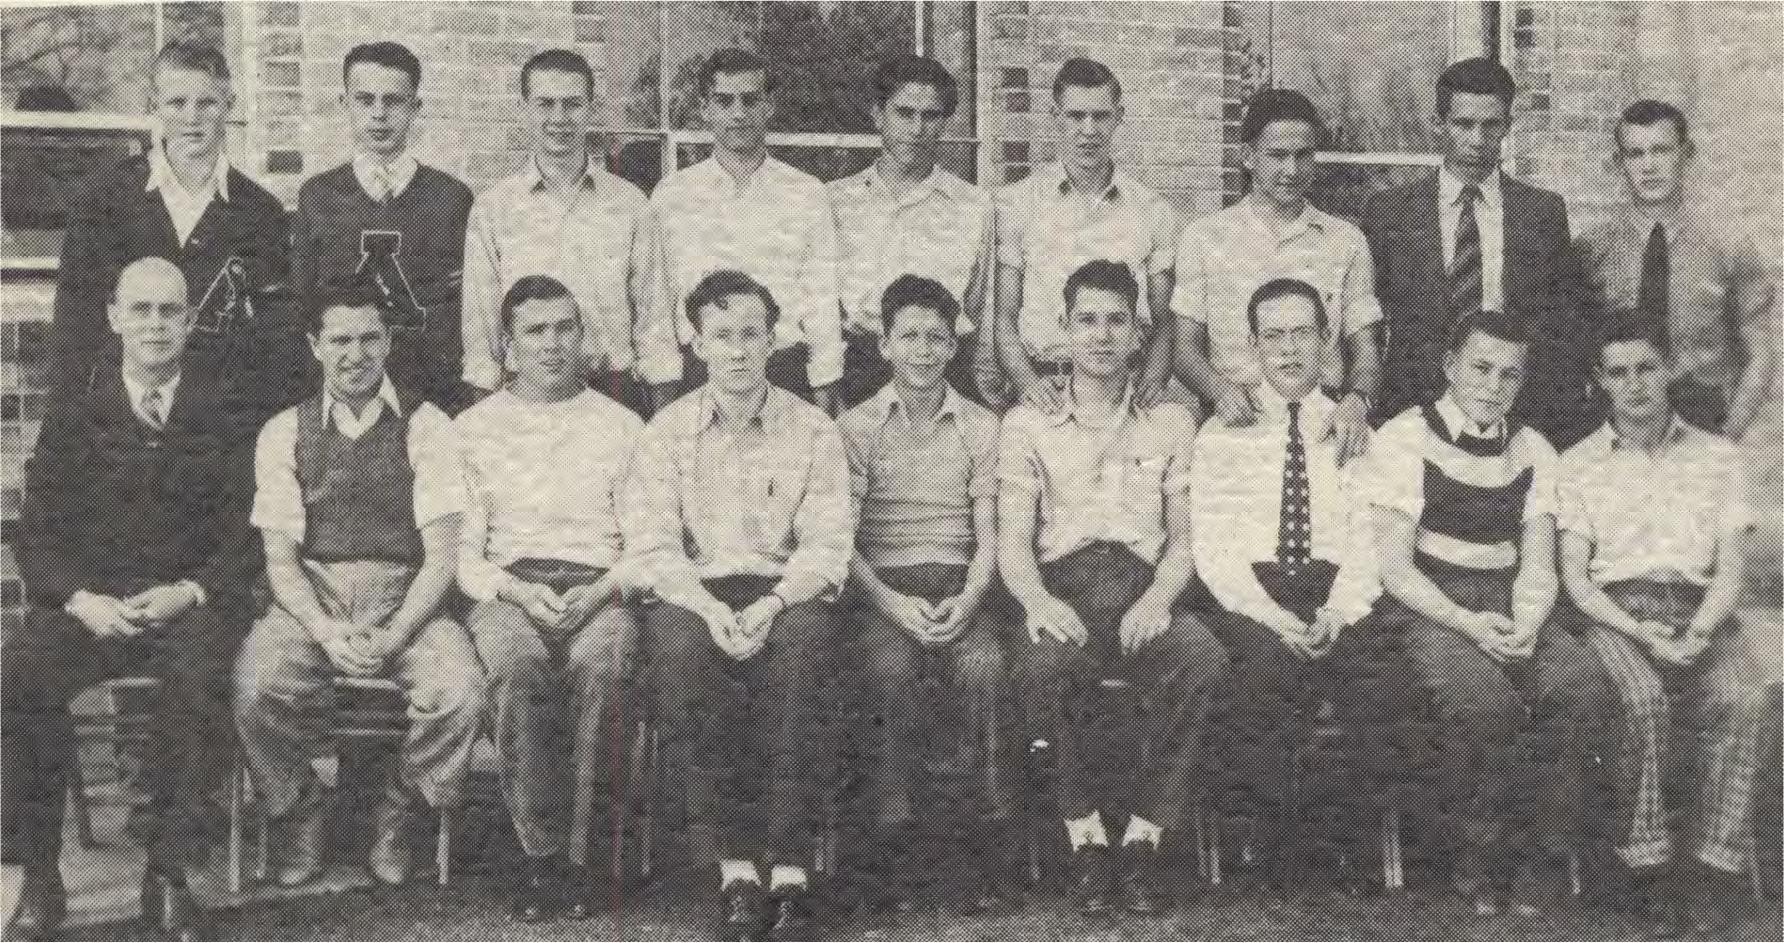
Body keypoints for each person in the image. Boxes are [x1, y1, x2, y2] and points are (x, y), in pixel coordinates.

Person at [4, 258, 258, 940]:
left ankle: (168, 875)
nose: (155, 324)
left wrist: (189, 590)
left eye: (169, 310)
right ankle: (39, 873)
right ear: (114, 317)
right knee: (19, 672)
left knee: (201, 675)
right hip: (95, 609)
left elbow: (244, 535)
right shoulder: (76, 415)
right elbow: (37, 534)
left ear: (190, 320)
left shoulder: (222, 413)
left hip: (184, 608)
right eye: (140, 309)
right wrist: (80, 600)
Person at [1364, 308, 1614, 916]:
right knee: (1483, 702)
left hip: (1508, 598)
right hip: (1426, 604)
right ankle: (1479, 857)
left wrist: (1528, 621)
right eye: (1480, 368)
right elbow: (1394, 567)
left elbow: (1538, 560)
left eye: (1510, 375)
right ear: (1449, 366)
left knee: (1581, 685)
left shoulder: (1534, 449)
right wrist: (1466, 622)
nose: (1493, 386)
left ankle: (1542, 858)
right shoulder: (1403, 436)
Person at [234, 284, 484, 890]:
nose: (355, 354)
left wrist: (396, 633)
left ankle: (398, 807)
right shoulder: (283, 431)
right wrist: (324, 629)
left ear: (389, 342)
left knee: (461, 690)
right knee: (256, 686)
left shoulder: (428, 425)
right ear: (315, 346)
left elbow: (443, 556)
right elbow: (280, 560)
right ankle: (300, 811)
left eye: (369, 338)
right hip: (312, 597)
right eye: (340, 340)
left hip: (409, 596)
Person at [998, 260, 1227, 917]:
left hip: (1141, 588)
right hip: (1063, 586)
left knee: (1203, 657)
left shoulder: (1172, 421)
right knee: (1040, 666)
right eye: (1087, 320)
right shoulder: (1027, 422)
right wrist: (1038, 601)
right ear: (1065, 329)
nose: (1101, 335)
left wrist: (1158, 599)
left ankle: (1146, 837)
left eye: (1116, 321)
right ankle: (1087, 840)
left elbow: (1184, 539)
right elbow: (1014, 543)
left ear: (1137, 333)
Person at [625, 271, 850, 939]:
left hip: (786, 591)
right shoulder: (666, 432)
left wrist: (775, 602)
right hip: (696, 594)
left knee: (804, 662)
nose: (738, 350)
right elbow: (654, 545)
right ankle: (734, 871)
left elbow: (827, 545)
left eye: (751, 334)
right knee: (681, 660)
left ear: (773, 341)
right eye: (721, 336)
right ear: (697, 345)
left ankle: (790, 869)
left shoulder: (813, 430)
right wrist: (706, 607)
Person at [1558, 315, 1767, 938]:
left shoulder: (1719, 457)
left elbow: (1730, 569)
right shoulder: (1578, 462)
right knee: (1643, 699)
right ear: (1600, 382)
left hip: (1702, 610)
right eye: (1618, 373)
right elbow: (1576, 580)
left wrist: (1699, 631)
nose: (1635, 385)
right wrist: (1644, 633)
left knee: (1746, 695)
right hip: (1616, 614)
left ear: (1669, 370)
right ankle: (1646, 872)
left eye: (1646, 368)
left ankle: (1714, 870)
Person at [456, 275, 645, 922]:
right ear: (508, 346)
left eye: (566, 328)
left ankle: (583, 859)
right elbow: (464, 555)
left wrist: (601, 590)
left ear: (583, 338)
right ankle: (539, 856)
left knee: (604, 663)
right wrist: (516, 591)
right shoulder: (474, 429)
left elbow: (646, 542)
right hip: (511, 586)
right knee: (516, 663)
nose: (553, 343)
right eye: (535, 331)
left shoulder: (621, 426)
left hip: (601, 585)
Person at [1189, 278, 1385, 880]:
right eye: (1273, 336)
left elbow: (1368, 539)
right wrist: (1275, 619)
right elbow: (1215, 552)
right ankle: (1275, 837)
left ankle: (1344, 836)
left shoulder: (1353, 429)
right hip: (1254, 594)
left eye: (1303, 333)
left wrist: (1339, 612)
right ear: (1252, 346)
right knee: (1263, 671)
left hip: (1333, 590)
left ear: (1327, 341)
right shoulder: (1222, 432)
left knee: (1375, 673)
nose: (1290, 349)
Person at [836, 275, 1008, 910]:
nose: (923, 350)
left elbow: (990, 535)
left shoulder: (981, 426)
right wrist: (890, 601)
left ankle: (981, 840)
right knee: (887, 670)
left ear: (953, 346)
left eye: (936, 337)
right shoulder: (855, 427)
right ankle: (894, 841)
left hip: (961, 583)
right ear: (884, 345)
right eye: (908, 336)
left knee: (984, 667)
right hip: (881, 586)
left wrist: (969, 598)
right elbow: (842, 541)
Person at [50, 42, 296, 419]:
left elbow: (273, 339)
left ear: (229, 105)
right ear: (155, 105)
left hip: (219, 424)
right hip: (120, 419)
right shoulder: (105, 197)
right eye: (177, 103)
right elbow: (75, 322)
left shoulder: (260, 211)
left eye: (207, 103)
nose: (191, 118)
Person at [1361, 58, 1589, 448]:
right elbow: (1369, 318)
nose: (1478, 140)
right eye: (1464, 124)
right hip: (1414, 412)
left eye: (1491, 125)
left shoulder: (1542, 212)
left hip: (1512, 414)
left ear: (1508, 125)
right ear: (1439, 124)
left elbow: (1559, 322)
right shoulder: (1390, 212)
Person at [1173, 89, 1381, 466]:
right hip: (1237, 425)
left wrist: (1357, 400)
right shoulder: (1203, 238)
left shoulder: (1346, 241)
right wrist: (1218, 390)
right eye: (1277, 155)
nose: (1291, 170)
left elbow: (1365, 348)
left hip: (1324, 427)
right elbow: (1184, 348)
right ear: (1248, 156)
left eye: (1303, 155)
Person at [462, 49, 664, 415]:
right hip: (524, 397)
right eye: (545, 104)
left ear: (591, 109)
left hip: (611, 393)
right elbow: (482, 335)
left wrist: (661, 423)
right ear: (525, 108)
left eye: (572, 104)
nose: (559, 118)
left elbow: (655, 324)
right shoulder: (494, 208)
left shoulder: (630, 203)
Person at [652, 48, 842, 413]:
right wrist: (665, 389)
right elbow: (660, 301)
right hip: (702, 370)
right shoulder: (673, 195)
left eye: (750, 100)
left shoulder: (805, 192)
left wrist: (824, 385)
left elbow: (821, 299)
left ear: (769, 105)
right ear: (705, 108)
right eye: (724, 101)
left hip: (783, 368)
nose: (738, 113)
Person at [1574, 100, 1776, 439]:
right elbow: (1575, 352)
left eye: (1661, 150)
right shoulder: (1591, 248)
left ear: (1687, 153)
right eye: (1635, 154)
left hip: (1704, 417)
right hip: (1618, 426)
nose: (1649, 166)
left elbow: (1760, 353)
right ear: (1620, 163)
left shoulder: (1728, 247)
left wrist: (1725, 440)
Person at [293, 41, 476, 414]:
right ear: (344, 104)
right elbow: (304, 305)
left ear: (415, 107)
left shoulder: (451, 197)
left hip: (432, 394)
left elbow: (464, 311)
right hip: (345, 395)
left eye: (393, 101)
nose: (379, 114)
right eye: (365, 100)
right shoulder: (318, 195)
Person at [992, 58, 1178, 415]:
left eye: (1101, 116)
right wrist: (1027, 383)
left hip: (1124, 391)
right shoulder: (1017, 203)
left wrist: (1153, 380)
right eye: (1076, 116)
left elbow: (1164, 321)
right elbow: (1004, 317)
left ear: (1118, 117)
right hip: (1045, 388)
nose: (1089, 130)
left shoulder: (1152, 209)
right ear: (1055, 116)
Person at [829, 55, 994, 408]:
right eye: (904, 113)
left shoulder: (974, 205)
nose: (917, 129)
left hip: (945, 370)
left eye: (930, 116)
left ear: (944, 122)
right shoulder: (836, 201)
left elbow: (978, 307)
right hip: (860, 372)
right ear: (878, 115)